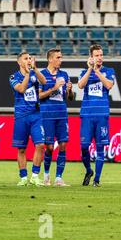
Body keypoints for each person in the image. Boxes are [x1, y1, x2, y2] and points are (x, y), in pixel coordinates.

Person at [77, 45, 115, 187]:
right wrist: (89, 69)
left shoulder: (109, 71)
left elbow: (109, 85)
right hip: (87, 115)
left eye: (101, 55)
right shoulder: (84, 72)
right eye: (97, 55)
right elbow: (80, 85)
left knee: (100, 148)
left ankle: (97, 180)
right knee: (84, 147)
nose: (100, 57)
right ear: (91, 57)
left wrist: (97, 71)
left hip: (102, 115)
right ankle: (88, 170)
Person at [9, 52, 47, 186]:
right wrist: (27, 74)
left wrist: (35, 69)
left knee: (40, 144)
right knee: (21, 149)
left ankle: (35, 176)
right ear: (19, 62)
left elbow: (44, 81)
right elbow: (21, 89)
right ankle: (23, 177)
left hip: (36, 115)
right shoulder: (14, 76)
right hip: (21, 116)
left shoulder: (34, 73)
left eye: (30, 58)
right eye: (26, 59)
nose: (29, 60)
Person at [39, 49, 74, 186]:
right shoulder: (41, 75)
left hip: (61, 114)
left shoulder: (64, 75)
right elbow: (39, 95)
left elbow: (70, 98)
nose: (61, 60)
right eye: (58, 57)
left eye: (61, 57)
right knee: (49, 147)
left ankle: (59, 178)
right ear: (50, 59)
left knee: (63, 144)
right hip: (46, 114)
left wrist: (70, 90)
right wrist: (54, 88)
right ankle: (46, 176)